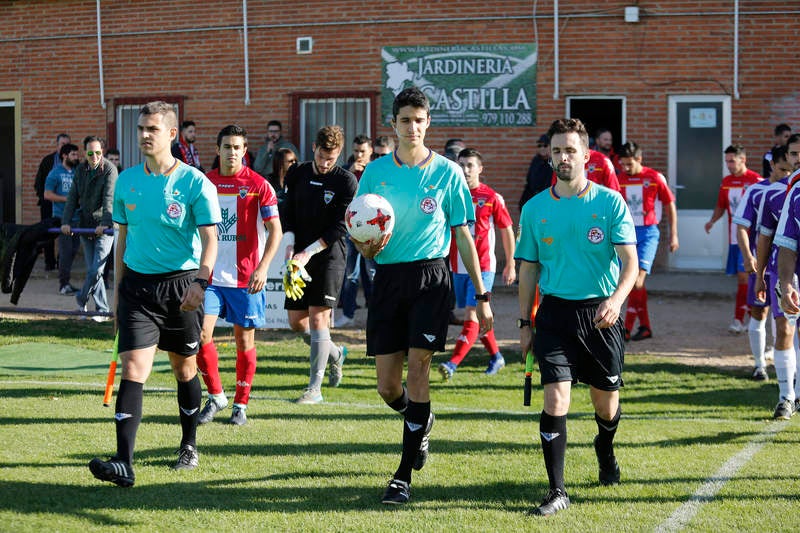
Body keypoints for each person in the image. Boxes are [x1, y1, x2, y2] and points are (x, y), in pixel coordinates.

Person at [353, 87, 493, 505]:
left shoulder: (448, 173)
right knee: (387, 386)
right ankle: (421, 419)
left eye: (419, 120)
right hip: (388, 278)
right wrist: (364, 246)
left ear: (427, 122)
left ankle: (402, 476)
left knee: (418, 373)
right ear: (392, 125)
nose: (412, 127)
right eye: (405, 120)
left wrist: (483, 295)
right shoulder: (375, 172)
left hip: (431, 280)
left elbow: (463, 235)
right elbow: (358, 224)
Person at [88, 101, 221, 487]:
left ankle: (189, 443)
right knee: (133, 369)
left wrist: (201, 283)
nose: (145, 135)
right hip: (137, 288)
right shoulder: (126, 181)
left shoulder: (195, 183)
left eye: (153, 129)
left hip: (182, 288)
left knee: (185, 369)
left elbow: (211, 239)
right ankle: (123, 463)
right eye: (141, 128)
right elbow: (122, 240)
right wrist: (116, 295)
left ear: (172, 134)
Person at [516, 118, 637, 517]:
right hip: (555, 315)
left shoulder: (609, 202)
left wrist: (618, 300)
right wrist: (524, 323)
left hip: (601, 315)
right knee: (556, 398)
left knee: (606, 407)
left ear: (586, 155)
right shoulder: (535, 209)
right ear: (549, 156)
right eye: (556, 151)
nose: (563, 157)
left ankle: (605, 447)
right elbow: (529, 269)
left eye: (570, 150)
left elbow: (630, 263)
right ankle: (557, 491)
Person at [195, 125, 282, 426]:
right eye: (226, 147)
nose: (231, 152)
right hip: (210, 277)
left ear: (244, 151)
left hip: (245, 279)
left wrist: (263, 267)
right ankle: (216, 395)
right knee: (200, 334)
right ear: (217, 150)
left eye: (237, 147)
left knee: (244, 342)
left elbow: (276, 231)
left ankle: (240, 405)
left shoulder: (260, 185)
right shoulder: (204, 183)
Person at [282, 125, 355, 404]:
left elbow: (340, 226)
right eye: (323, 156)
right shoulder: (297, 173)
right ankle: (336, 354)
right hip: (299, 254)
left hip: (329, 255)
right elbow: (286, 211)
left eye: (332, 158)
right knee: (297, 323)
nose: (326, 164)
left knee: (318, 317)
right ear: (314, 148)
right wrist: (290, 244)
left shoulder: (346, 181)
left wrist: (308, 252)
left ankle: (314, 389)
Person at [439, 147, 515, 379]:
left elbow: (506, 230)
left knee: (473, 314)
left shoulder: (492, 197)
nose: (465, 169)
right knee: (478, 315)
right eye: (461, 164)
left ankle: (452, 363)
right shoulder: (451, 195)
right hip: (457, 266)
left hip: (482, 267)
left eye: (470, 165)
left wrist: (510, 263)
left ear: (480, 169)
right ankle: (496, 356)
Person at [734, 145, 787, 380]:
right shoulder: (756, 191)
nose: (787, 173)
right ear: (772, 165)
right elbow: (742, 227)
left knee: (784, 316)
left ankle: (783, 364)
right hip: (763, 263)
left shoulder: (793, 190)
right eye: (783, 167)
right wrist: (748, 256)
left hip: (788, 265)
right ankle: (759, 366)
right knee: (759, 312)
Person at [617, 141, 679, 341]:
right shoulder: (618, 179)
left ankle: (625, 329)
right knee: (633, 284)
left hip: (648, 234)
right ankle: (645, 327)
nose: (625, 168)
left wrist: (674, 234)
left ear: (639, 159)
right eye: (622, 164)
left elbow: (670, 205)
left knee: (637, 280)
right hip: (625, 235)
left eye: (629, 164)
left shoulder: (654, 177)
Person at [759, 137, 800, 418]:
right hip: (788, 271)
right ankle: (786, 397)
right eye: (794, 153)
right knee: (785, 330)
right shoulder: (784, 194)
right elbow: (773, 238)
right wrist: (764, 273)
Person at [704, 145, 763, 333]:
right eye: (726, 161)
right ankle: (748, 317)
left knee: (747, 277)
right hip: (734, 238)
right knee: (743, 279)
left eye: (732, 161)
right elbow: (721, 205)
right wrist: (712, 221)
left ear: (742, 160)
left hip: (752, 239)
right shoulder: (727, 181)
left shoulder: (756, 181)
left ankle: (741, 319)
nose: (728, 165)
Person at [60, 136, 118, 317]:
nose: (94, 157)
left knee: (97, 269)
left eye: (98, 153)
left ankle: (81, 298)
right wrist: (66, 222)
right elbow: (72, 197)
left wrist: (105, 223)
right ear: (85, 153)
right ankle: (101, 310)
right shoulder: (80, 170)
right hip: (86, 225)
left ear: (102, 151)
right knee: (94, 270)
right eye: (91, 153)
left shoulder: (109, 169)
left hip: (105, 227)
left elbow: (109, 198)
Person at [336, 134, 376, 328]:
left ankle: (377, 313)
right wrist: (350, 175)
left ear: (371, 152)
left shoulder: (377, 171)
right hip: (351, 229)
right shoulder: (345, 171)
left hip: (371, 230)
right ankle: (348, 313)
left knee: (373, 274)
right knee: (350, 274)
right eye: (356, 151)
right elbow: (339, 196)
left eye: (363, 151)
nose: (359, 155)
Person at [43, 143, 81, 295]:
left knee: (73, 250)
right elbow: (47, 194)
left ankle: (66, 282)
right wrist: (67, 199)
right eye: (73, 154)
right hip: (62, 218)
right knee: (65, 251)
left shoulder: (77, 172)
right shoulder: (55, 173)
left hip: (77, 217)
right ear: (64, 155)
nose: (76, 157)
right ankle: (63, 285)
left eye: (77, 154)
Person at [34, 133, 70, 271]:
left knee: (66, 233)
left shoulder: (73, 162)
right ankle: (49, 263)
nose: (65, 147)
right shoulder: (48, 161)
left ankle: (62, 262)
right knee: (48, 233)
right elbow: (38, 182)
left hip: (67, 205)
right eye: (62, 144)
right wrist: (44, 197)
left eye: (67, 144)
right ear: (57, 146)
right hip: (49, 204)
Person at [518, 134, 551, 211]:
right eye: (540, 146)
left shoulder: (554, 162)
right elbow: (529, 182)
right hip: (533, 200)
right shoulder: (536, 161)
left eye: (545, 145)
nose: (542, 148)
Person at [267, 147, 297, 226]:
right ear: (280, 163)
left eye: (295, 160)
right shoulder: (269, 181)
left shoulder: (298, 178)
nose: (294, 163)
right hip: (275, 223)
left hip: (293, 224)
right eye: (290, 161)